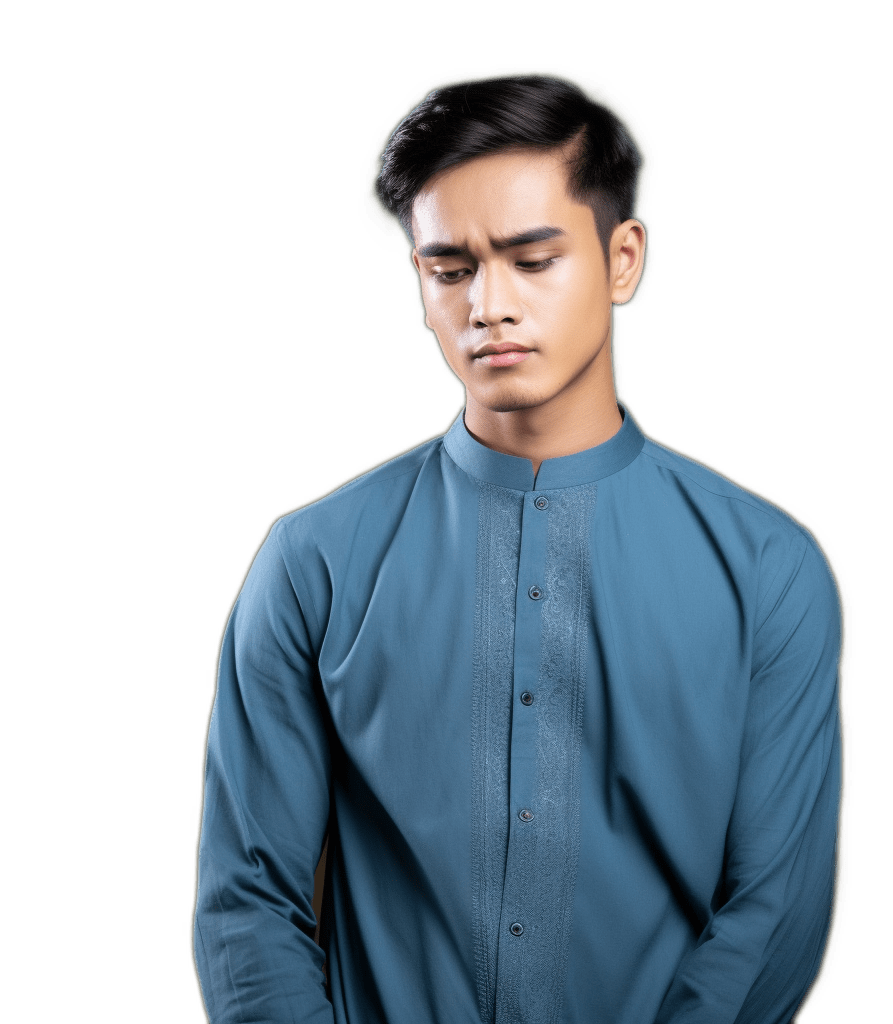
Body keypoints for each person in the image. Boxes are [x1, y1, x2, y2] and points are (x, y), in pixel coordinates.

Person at [193, 75, 843, 1024]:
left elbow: (776, 916)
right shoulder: (312, 563)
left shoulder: (768, 571)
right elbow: (249, 901)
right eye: (450, 270)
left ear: (624, 261)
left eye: (533, 260)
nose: (488, 305)